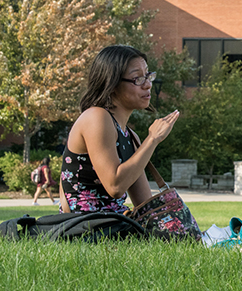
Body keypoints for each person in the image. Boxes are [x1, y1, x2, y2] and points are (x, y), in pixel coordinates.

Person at [59, 45, 180, 214]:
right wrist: (152, 139)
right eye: (137, 78)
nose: (147, 85)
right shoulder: (96, 117)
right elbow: (115, 186)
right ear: (112, 84)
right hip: (85, 226)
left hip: (115, 223)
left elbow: (145, 205)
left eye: (147, 76)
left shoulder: (130, 136)